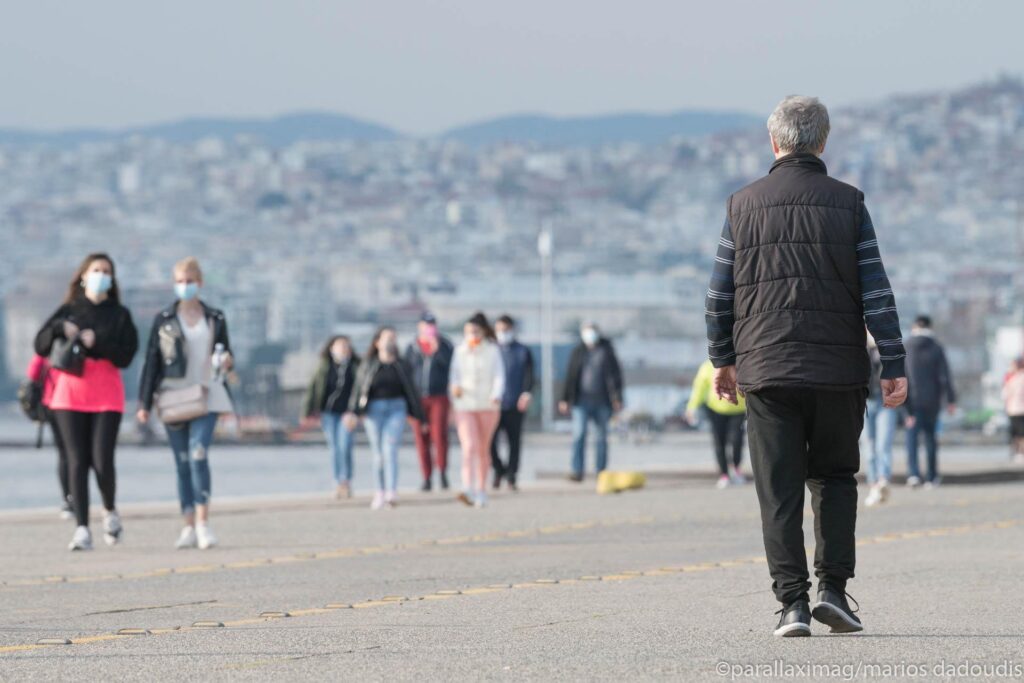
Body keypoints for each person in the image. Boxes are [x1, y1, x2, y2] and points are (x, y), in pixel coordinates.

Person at [705, 96, 908, 637]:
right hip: (838, 369)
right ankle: (835, 591)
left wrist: (722, 360)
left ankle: (792, 604)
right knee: (837, 479)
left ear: (774, 143)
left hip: (766, 368)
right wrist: (892, 359)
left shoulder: (740, 205)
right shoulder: (849, 203)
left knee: (779, 489)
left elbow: (718, 295)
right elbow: (877, 290)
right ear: (822, 142)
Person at [34, 253, 139, 551]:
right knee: (77, 460)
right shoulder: (68, 310)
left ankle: (110, 509)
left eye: (107, 271)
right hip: (69, 393)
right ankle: (81, 527)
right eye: (96, 270)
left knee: (102, 459)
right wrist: (59, 330)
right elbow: (39, 345)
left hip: (106, 394)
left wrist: (99, 343)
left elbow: (127, 355)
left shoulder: (119, 314)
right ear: (83, 275)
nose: (101, 275)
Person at [137, 257, 233, 550]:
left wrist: (227, 361)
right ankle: (188, 523)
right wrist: (144, 401)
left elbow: (226, 353)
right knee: (181, 462)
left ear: (200, 283)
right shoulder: (164, 318)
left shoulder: (216, 317)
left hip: (208, 393)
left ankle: (204, 523)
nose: (184, 286)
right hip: (173, 396)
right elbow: (152, 361)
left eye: (189, 280)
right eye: (179, 281)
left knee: (199, 453)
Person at [346, 327, 423, 509]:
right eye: (386, 338)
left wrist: (419, 415)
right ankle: (379, 491)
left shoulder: (402, 364)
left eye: (393, 338)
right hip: (373, 410)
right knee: (378, 454)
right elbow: (358, 389)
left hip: (397, 409)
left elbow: (412, 390)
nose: (390, 342)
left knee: (390, 448)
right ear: (377, 342)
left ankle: (392, 491)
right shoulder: (368, 364)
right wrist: (354, 412)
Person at [450, 312, 505, 507]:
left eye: (474, 331)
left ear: (482, 332)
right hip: (465, 405)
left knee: (483, 449)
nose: (471, 335)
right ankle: (467, 487)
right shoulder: (460, 351)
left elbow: (499, 375)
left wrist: (496, 394)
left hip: (487, 405)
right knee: (469, 446)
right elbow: (454, 375)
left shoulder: (492, 351)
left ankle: (481, 489)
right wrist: (454, 387)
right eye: (468, 331)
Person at [558, 323, 623, 482]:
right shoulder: (578, 352)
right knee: (579, 434)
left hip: (603, 401)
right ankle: (577, 470)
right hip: (581, 402)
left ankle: (601, 471)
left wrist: (617, 398)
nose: (590, 335)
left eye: (592, 332)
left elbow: (615, 376)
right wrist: (565, 398)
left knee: (601, 437)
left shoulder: (607, 351)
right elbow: (570, 376)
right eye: (587, 332)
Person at [304, 335, 360, 499]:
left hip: (348, 414)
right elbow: (313, 388)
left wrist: (356, 412)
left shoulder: (355, 367)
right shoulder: (324, 366)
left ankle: (346, 481)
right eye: (340, 346)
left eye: (346, 346)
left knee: (345, 445)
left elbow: (361, 391)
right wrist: (307, 411)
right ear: (331, 348)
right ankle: (337, 482)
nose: (344, 349)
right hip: (328, 413)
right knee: (335, 448)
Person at [904, 315, 956, 489]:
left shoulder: (908, 346)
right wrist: (950, 399)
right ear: (930, 327)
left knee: (911, 439)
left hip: (911, 400)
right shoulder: (936, 347)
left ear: (914, 326)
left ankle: (913, 475)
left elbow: (903, 375)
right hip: (933, 400)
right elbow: (945, 375)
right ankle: (932, 477)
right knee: (930, 439)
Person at [404, 313, 454, 492]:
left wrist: (436, 349)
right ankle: (426, 476)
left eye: (432, 324)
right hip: (418, 399)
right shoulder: (411, 347)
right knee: (420, 438)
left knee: (439, 435)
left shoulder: (445, 345)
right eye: (425, 324)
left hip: (439, 396)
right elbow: (406, 373)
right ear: (419, 326)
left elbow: (451, 368)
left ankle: (442, 472)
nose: (428, 328)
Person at [685, 358, 747, 489]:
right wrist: (691, 407)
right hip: (715, 410)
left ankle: (736, 469)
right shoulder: (707, 366)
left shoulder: (741, 362)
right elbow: (699, 388)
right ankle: (724, 474)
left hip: (738, 409)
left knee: (737, 441)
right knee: (719, 442)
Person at [490, 315, 534, 491]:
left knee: (514, 442)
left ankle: (512, 475)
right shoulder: (492, 350)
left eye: (505, 330)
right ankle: (498, 470)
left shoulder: (522, 351)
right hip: (494, 404)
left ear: (512, 330)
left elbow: (529, 375)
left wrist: (526, 393)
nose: (502, 333)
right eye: (499, 329)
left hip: (515, 404)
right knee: (490, 442)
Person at [25, 354, 72, 519]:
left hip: (52, 403)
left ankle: (68, 499)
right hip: (70, 403)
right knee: (74, 453)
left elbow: (32, 373)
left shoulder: (47, 345)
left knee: (64, 453)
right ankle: (73, 497)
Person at [862, 335, 900, 507]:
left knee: (883, 443)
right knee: (868, 444)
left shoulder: (889, 350)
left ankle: (883, 479)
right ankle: (873, 485)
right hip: (865, 402)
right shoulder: (858, 349)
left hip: (886, 401)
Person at [1001, 357, 1024, 464]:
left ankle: (1020, 452)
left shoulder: (1018, 378)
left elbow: (1007, 394)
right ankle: (1017, 452)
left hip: (1019, 410)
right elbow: (1005, 394)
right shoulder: (1011, 378)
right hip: (1013, 409)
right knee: (1015, 433)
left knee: (1020, 433)